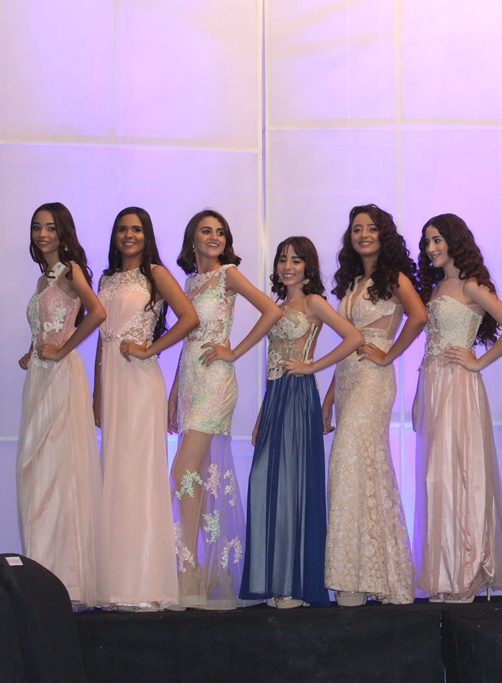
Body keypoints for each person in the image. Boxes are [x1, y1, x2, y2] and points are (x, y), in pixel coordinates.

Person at [168, 209, 283, 609]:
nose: (214, 237)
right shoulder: (190, 282)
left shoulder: (227, 274)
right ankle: (212, 574)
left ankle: (191, 569)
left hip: (216, 382)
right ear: (193, 238)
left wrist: (234, 351)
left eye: (220, 232)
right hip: (190, 382)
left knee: (182, 471)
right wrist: (174, 393)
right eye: (206, 231)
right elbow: (188, 341)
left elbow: (272, 311)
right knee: (197, 476)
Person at [240, 236, 363, 609]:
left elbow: (354, 338)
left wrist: (312, 366)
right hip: (276, 397)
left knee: (294, 486)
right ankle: (278, 579)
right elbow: (272, 363)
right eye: (282, 259)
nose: (287, 266)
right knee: (266, 483)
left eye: (295, 260)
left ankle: (295, 586)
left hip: (298, 396)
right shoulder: (277, 306)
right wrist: (262, 414)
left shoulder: (313, 303)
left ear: (308, 266)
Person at [412, 214, 502, 603]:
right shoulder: (436, 287)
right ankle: (444, 572)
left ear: (454, 240)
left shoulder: (472, 285)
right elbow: (429, 345)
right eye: (427, 242)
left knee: (462, 475)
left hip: (459, 386)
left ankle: (467, 572)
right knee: (436, 478)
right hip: (433, 383)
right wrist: (418, 395)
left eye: (437, 240)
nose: (431, 248)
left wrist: (478, 362)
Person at [94, 207, 199, 611]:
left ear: (146, 235)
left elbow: (189, 318)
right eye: (122, 229)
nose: (128, 235)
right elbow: (102, 340)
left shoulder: (155, 274)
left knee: (139, 475)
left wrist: (150, 348)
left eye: (136, 229)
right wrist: (97, 393)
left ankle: (144, 583)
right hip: (113, 383)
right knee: (114, 476)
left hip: (139, 382)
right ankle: (116, 582)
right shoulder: (105, 279)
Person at [322, 204, 427, 607]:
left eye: (370, 228)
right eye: (356, 229)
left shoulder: (393, 277)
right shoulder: (353, 283)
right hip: (348, 377)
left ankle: (359, 576)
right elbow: (346, 344)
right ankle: (366, 574)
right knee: (357, 467)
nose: (363, 234)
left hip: (373, 379)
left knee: (349, 462)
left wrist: (389, 355)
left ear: (383, 235)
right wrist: (329, 398)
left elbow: (418, 317)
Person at [16, 202, 105, 608]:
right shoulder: (44, 278)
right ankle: (39, 575)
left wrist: (63, 349)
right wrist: (32, 351)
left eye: (50, 227)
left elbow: (97, 313)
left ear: (63, 232)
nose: (42, 234)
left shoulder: (71, 271)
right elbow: (45, 326)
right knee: (35, 473)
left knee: (55, 474)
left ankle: (63, 583)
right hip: (39, 379)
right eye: (37, 227)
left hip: (60, 378)